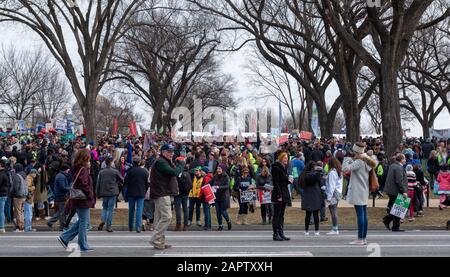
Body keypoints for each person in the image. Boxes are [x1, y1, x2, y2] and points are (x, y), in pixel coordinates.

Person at [57, 149, 95, 253]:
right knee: (84, 222)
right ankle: (82, 244)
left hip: (78, 198)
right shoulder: (82, 169)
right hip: (83, 198)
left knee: (82, 221)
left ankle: (65, 238)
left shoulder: (78, 168)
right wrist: (90, 194)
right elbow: (84, 184)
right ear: (85, 158)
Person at [149, 144, 185, 250]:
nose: (172, 153)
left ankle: (160, 241)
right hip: (162, 193)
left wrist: (177, 163)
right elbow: (174, 172)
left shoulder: (163, 161)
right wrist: (181, 164)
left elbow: (172, 171)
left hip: (161, 192)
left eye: (172, 151)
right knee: (167, 217)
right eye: (169, 151)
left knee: (160, 218)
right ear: (163, 152)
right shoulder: (161, 162)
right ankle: (155, 238)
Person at [342, 142, 377, 245]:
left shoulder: (359, 161)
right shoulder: (367, 160)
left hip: (358, 190)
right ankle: (363, 237)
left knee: (360, 215)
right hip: (364, 190)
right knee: (364, 215)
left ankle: (360, 238)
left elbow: (344, 169)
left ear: (356, 152)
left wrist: (347, 158)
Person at [96, 157, 124, 232]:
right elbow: (122, 180)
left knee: (104, 208)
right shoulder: (115, 171)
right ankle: (109, 226)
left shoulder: (101, 172)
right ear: (111, 163)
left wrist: (97, 193)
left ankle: (103, 220)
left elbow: (98, 183)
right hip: (112, 192)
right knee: (111, 209)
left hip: (104, 192)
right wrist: (118, 183)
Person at [383, 153, 408, 232]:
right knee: (399, 208)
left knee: (395, 208)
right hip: (396, 190)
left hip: (391, 190)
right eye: (404, 159)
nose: (405, 160)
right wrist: (403, 191)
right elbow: (399, 181)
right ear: (401, 160)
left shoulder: (393, 165)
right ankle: (395, 226)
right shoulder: (398, 168)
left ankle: (388, 220)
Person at [123, 157, 149, 233]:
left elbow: (126, 182)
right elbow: (147, 183)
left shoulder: (129, 171)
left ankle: (130, 226)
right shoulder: (144, 171)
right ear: (139, 162)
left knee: (131, 210)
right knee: (139, 210)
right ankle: (138, 226)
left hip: (131, 192)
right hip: (141, 192)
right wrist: (144, 190)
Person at [271, 152, 292, 241]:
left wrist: (289, 181)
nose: (286, 159)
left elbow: (282, 181)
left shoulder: (284, 167)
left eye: (287, 158)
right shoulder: (276, 168)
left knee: (281, 215)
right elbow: (276, 182)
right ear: (281, 158)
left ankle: (281, 233)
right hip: (278, 194)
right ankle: (275, 234)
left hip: (284, 192)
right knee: (277, 215)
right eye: (284, 158)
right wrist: (279, 195)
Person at [300, 161, 323, 236]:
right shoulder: (317, 174)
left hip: (307, 194)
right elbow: (321, 184)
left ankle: (306, 230)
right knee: (316, 213)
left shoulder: (304, 174)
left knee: (308, 214)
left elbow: (301, 184)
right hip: (316, 194)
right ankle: (316, 231)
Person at [47, 163, 71, 231]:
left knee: (60, 212)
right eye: (68, 170)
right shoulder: (61, 177)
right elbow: (63, 187)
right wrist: (70, 188)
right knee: (62, 212)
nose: (68, 171)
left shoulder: (61, 175)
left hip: (60, 196)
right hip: (61, 196)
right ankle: (62, 226)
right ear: (65, 170)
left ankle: (52, 222)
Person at [211, 164, 232, 231]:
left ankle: (228, 221)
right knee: (218, 212)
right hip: (217, 196)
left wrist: (219, 187)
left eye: (219, 169)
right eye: (217, 169)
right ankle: (220, 225)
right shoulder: (215, 176)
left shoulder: (226, 177)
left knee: (223, 212)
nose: (218, 170)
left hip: (224, 196)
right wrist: (205, 186)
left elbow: (227, 186)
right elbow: (210, 182)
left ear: (222, 170)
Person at [325, 157, 343, 235]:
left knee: (333, 211)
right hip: (337, 192)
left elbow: (331, 186)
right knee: (334, 210)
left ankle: (335, 229)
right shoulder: (338, 171)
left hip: (333, 193)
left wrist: (329, 198)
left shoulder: (332, 172)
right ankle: (335, 228)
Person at [174, 160, 192, 231]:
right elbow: (190, 184)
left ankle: (178, 225)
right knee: (185, 209)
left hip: (178, 193)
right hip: (185, 193)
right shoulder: (187, 173)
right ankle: (185, 225)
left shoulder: (177, 173)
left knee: (178, 209)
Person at [12, 164, 28, 232]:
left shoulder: (17, 176)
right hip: (24, 196)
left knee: (18, 212)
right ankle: (22, 226)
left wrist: (12, 193)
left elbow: (16, 187)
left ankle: (20, 227)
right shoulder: (25, 175)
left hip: (18, 196)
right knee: (21, 212)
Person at [0, 158, 11, 233]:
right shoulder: (7, 172)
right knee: (2, 210)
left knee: (1, 211)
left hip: (1, 194)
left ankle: (1, 227)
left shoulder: (1, 173)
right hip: (5, 193)